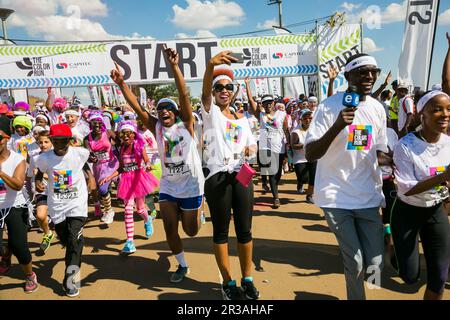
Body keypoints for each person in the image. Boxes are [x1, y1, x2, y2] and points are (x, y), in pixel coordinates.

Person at [110, 47, 204, 283]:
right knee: (170, 229)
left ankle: (197, 215)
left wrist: (174, 67)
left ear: (177, 112)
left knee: (191, 231)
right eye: (160, 109)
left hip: (191, 186)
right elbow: (138, 109)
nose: (163, 111)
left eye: (168, 108)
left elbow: (183, 94)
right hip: (169, 187)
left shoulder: (187, 125)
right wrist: (122, 85)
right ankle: (182, 265)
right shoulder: (157, 127)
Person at [305, 53, 388, 300]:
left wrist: (393, 160)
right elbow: (310, 153)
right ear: (347, 76)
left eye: (374, 71)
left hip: (368, 196)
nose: (370, 77)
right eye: (363, 72)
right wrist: (338, 126)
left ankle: (369, 290)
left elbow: (378, 151)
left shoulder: (376, 108)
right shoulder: (328, 107)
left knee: (376, 263)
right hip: (335, 197)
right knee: (356, 261)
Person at [201, 51, 259, 300]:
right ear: (214, 93)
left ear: (233, 91)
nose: (224, 90)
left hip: (241, 176)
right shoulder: (210, 113)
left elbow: (253, 145)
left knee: (245, 230)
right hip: (217, 177)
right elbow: (203, 93)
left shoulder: (244, 119)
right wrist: (211, 65)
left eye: (228, 87)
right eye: (219, 87)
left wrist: (251, 148)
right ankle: (227, 281)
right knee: (221, 231)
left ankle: (247, 279)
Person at [391, 89, 449, 300]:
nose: (444, 114)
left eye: (448, 110)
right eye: (437, 110)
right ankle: (393, 246)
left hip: (435, 211)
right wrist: (444, 176)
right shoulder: (405, 146)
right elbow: (406, 188)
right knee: (410, 275)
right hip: (407, 212)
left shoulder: (448, 143)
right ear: (420, 114)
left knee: (439, 275)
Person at [35, 123, 96, 297]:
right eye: (56, 141)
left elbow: (85, 167)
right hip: (57, 206)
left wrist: (91, 179)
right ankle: (70, 247)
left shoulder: (79, 153)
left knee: (75, 242)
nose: (60, 145)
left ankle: (70, 280)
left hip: (77, 204)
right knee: (67, 240)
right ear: (52, 141)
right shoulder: (44, 158)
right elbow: (39, 174)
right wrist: (38, 182)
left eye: (64, 141)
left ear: (70, 141)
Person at [100, 121, 159, 253]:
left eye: (128, 134)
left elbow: (146, 160)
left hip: (139, 180)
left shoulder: (139, 146)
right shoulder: (121, 149)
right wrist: (108, 178)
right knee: (127, 210)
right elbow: (121, 168)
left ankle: (147, 219)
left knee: (140, 209)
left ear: (133, 134)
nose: (125, 136)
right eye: (123, 134)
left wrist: (148, 165)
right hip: (126, 181)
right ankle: (130, 242)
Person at [0, 116, 38, 293]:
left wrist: (1, 173)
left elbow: (16, 184)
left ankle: (30, 274)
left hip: (15, 205)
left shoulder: (17, 160)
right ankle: (5, 252)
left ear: (7, 138)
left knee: (20, 247)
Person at [246, 78, 290, 208]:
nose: (268, 105)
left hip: (280, 147)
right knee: (271, 173)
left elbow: (286, 129)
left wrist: (288, 146)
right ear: (262, 104)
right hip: (265, 148)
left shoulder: (282, 114)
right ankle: (276, 198)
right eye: (265, 103)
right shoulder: (260, 114)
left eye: (270, 102)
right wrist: (247, 85)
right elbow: (251, 101)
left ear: (274, 103)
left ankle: (274, 187)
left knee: (277, 175)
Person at [84, 111, 119, 225]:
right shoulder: (87, 138)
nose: (98, 127)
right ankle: (109, 211)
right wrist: (91, 158)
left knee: (116, 188)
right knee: (102, 190)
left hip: (113, 164)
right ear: (91, 125)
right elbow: (88, 155)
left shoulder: (108, 133)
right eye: (95, 125)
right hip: (99, 167)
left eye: (99, 124)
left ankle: (110, 210)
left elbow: (120, 143)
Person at [27, 130, 54, 253]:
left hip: (58, 192)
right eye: (40, 142)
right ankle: (47, 234)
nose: (43, 144)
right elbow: (29, 174)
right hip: (41, 191)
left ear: (52, 142)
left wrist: (47, 176)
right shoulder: (34, 156)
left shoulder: (59, 156)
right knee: (40, 215)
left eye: (46, 142)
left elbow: (65, 177)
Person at [291, 109, 317, 204]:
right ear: (301, 120)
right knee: (303, 178)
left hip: (313, 156)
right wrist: (306, 145)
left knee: (313, 177)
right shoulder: (296, 132)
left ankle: (309, 195)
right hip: (300, 158)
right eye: (305, 118)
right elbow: (293, 145)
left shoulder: (315, 129)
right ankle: (300, 183)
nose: (308, 120)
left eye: (310, 118)